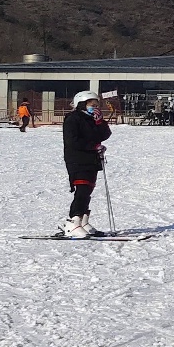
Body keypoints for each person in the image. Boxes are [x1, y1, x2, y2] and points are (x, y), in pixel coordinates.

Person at [58, 90, 111, 237]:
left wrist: (100, 122)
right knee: (81, 190)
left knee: (88, 190)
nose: (94, 107)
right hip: (77, 159)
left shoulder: (91, 119)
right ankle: (72, 222)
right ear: (81, 104)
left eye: (96, 105)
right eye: (91, 104)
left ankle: (82, 221)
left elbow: (105, 135)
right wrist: (92, 146)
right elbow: (72, 140)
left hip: (91, 159)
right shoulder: (73, 119)